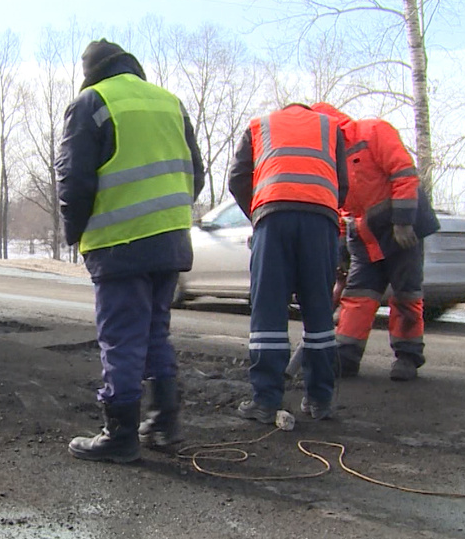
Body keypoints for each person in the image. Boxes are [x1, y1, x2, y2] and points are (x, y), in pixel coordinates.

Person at [57, 39, 205, 463]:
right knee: (155, 330)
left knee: (121, 337)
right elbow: (196, 171)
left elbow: (74, 179)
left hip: (120, 241)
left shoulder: (92, 102)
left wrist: (75, 232)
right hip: (171, 236)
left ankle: (120, 434)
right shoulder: (169, 102)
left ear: (91, 72)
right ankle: (163, 421)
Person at [227, 103, 349, 423]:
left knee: (268, 311)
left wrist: (258, 214)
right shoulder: (330, 128)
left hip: (274, 218)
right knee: (319, 311)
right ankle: (320, 400)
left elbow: (238, 178)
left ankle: (266, 400)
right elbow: (344, 185)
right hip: (320, 222)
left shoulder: (260, 125)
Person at [310, 104, 439, 381]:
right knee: (357, 295)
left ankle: (407, 357)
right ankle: (345, 355)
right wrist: (342, 246)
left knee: (405, 293)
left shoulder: (373, 131)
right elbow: (341, 205)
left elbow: (404, 174)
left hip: (401, 231)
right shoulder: (326, 158)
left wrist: (403, 222)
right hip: (365, 236)